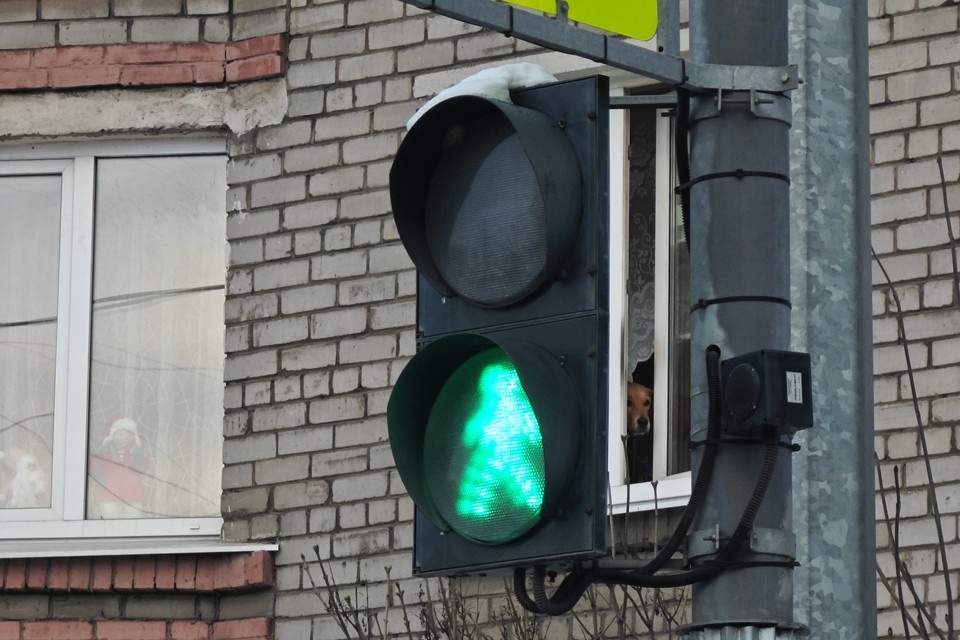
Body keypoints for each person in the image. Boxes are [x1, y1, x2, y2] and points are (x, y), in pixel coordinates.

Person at [89, 417, 151, 519]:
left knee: (133, 522)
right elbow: (94, 468)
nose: (125, 438)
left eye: (129, 435)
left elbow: (144, 467)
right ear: (112, 437)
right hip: (108, 495)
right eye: (121, 434)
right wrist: (98, 476)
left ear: (134, 439)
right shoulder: (104, 457)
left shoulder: (134, 457)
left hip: (133, 496)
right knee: (110, 520)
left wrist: (139, 457)